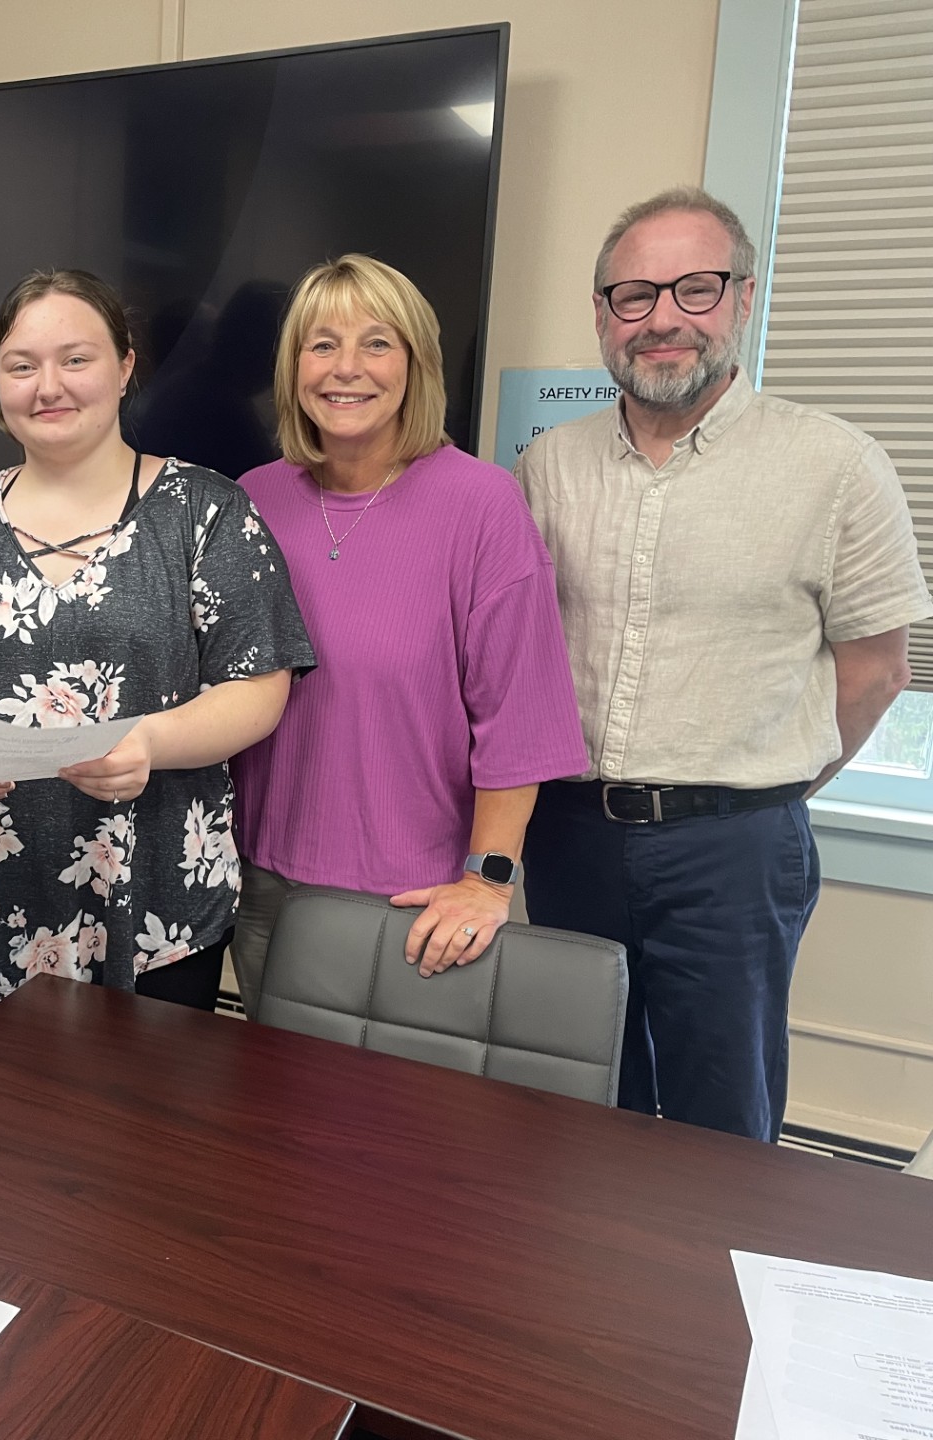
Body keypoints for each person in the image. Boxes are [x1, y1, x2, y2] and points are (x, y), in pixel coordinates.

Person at [517, 187, 931, 1142]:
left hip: (733, 848)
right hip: (571, 834)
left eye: (694, 289)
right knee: (577, 1101)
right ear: (602, 315)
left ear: (743, 298)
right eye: (634, 294)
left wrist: (762, 788)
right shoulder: (550, 466)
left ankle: (711, 1292)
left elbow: (876, 674)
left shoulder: (836, 465)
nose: (663, 318)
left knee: (721, 1121)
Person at [0, 269, 310, 1040]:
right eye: (22, 365)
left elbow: (259, 683)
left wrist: (147, 741)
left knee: (148, 1143)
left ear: (125, 365)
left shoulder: (207, 514)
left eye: (76, 359)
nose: (49, 386)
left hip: (155, 898)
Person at [228, 255, 587, 1014]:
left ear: (417, 363)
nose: (346, 368)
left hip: (416, 901)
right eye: (320, 345)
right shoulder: (253, 500)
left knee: (394, 1128)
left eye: (377, 342)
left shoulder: (482, 505)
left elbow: (520, 719)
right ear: (293, 367)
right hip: (261, 887)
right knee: (268, 1118)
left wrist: (488, 881)